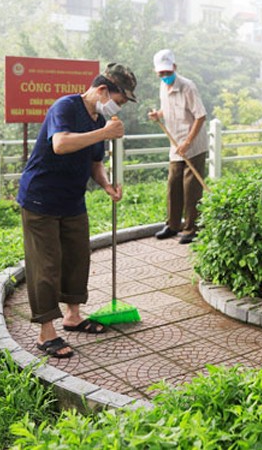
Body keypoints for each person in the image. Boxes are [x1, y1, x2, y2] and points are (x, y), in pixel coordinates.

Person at [17, 63, 137, 358]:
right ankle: (46, 333)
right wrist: (104, 133)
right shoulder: (66, 106)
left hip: (72, 200)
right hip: (40, 200)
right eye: (117, 101)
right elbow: (60, 144)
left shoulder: (99, 120)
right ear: (102, 91)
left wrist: (107, 185)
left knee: (76, 258)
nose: (116, 108)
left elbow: (95, 163)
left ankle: (73, 316)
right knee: (46, 265)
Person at [148, 49, 209, 245]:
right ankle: (173, 225)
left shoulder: (188, 87)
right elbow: (167, 110)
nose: (165, 76)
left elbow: (200, 115)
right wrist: (158, 114)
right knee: (173, 183)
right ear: (156, 72)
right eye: (161, 74)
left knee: (191, 188)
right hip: (176, 145)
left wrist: (188, 142)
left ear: (175, 67)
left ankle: (191, 228)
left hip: (193, 145)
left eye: (168, 72)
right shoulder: (162, 87)